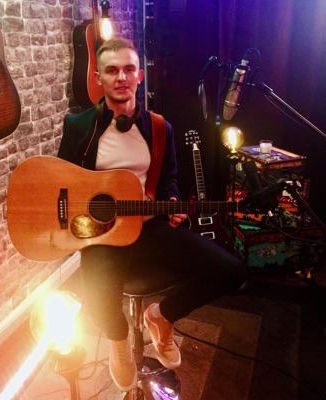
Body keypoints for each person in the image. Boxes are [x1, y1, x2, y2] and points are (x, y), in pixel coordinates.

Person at [57, 37, 247, 393]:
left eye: (129, 69)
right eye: (112, 70)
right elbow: (60, 179)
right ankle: (119, 340)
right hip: (102, 235)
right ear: (98, 77)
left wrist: (172, 201)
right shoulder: (79, 126)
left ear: (140, 75)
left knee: (232, 272)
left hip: (149, 228)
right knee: (95, 297)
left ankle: (161, 317)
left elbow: (170, 177)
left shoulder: (160, 127)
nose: (121, 77)